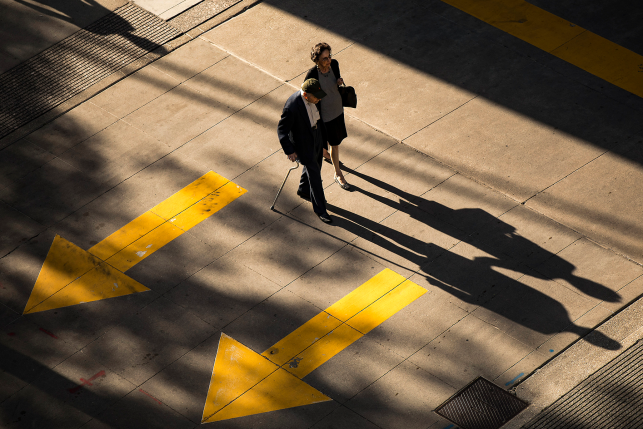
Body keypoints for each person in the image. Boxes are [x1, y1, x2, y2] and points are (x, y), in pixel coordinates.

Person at [277, 78, 333, 224]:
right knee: (315, 177)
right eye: (316, 97)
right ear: (306, 95)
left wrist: (323, 139)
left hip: (316, 137)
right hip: (303, 145)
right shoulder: (292, 106)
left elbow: (319, 120)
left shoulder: (315, 99)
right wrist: (290, 150)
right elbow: (282, 130)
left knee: (317, 166)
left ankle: (303, 189)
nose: (319, 100)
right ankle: (321, 210)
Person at [304, 42, 350, 190]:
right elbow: (305, 93)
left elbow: (336, 81)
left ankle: (326, 151)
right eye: (324, 58)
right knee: (335, 144)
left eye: (329, 56)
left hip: (338, 110)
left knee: (334, 142)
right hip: (326, 115)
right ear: (316, 60)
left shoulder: (334, 65)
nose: (328, 60)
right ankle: (338, 174)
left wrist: (338, 81)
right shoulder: (312, 74)